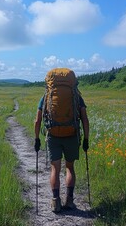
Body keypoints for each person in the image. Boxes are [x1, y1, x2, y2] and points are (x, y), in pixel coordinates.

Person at [34, 81, 89, 213]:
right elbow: (85, 119)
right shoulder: (76, 96)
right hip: (72, 135)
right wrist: (86, 139)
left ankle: (55, 202)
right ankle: (69, 200)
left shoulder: (47, 97)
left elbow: (37, 121)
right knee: (69, 167)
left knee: (55, 169)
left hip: (53, 136)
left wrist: (36, 138)